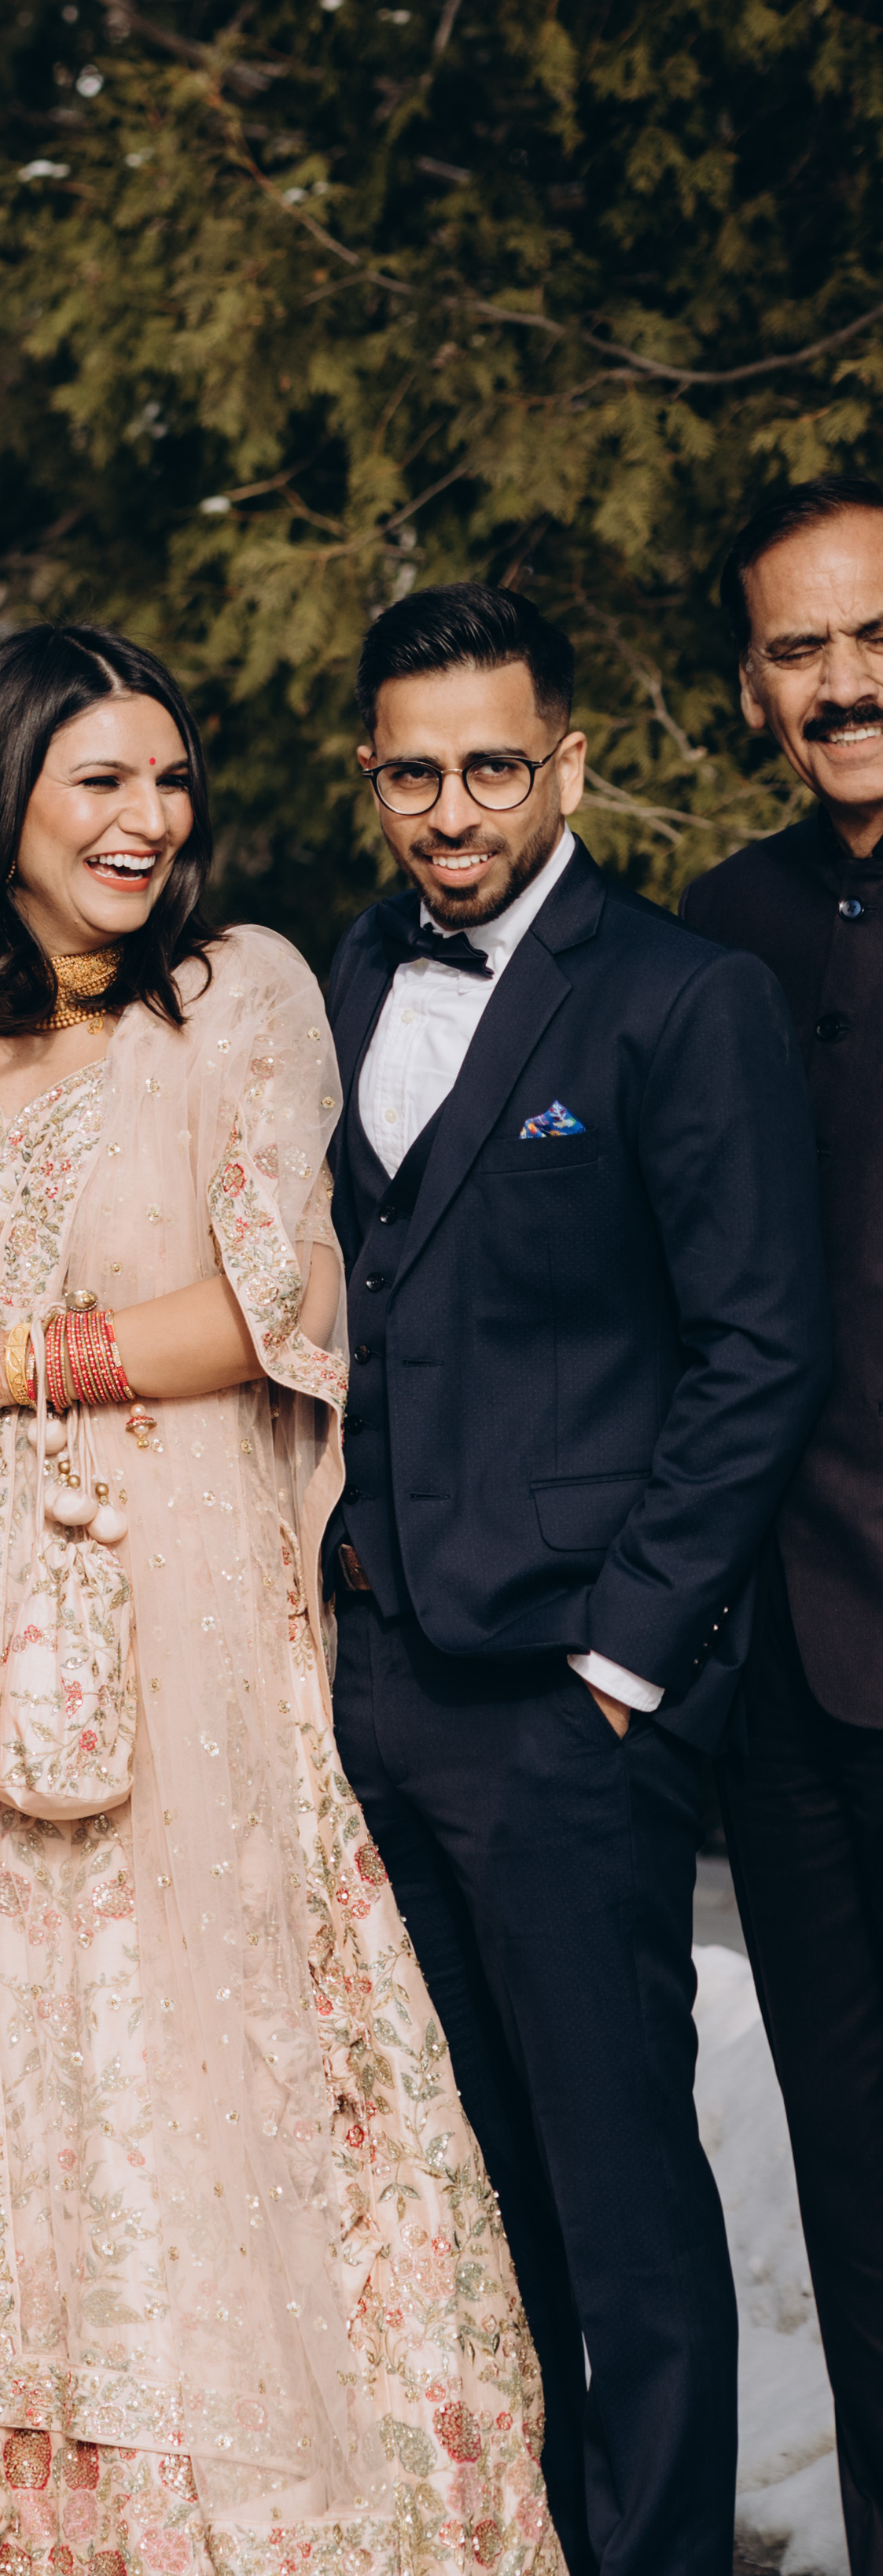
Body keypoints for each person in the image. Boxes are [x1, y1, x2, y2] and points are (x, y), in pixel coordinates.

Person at [0, 625, 560, 2571]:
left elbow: (282, 1303)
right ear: (1, 796)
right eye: (99, 780)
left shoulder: (234, 993)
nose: (147, 819)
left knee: (190, 2034)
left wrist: (18, 1360)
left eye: (169, 781)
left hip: (182, 1593)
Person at [320, 584, 829, 2574]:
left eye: (489, 766)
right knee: (473, 2202)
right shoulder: (342, 975)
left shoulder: (680, 998)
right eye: (412, 773)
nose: (450, 810)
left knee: (622, 2210)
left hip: (565, 1699)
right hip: (379, 1681)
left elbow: (757, 1346)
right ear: (370, 778)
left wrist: (624, 1660)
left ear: (567, 765)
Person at [683, 474, 883, 2576]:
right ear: (751, 690)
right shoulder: (717, 931)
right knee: (852, 2189)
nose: (841, 683)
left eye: (870, 633)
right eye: (797, 648)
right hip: (795, 1682)